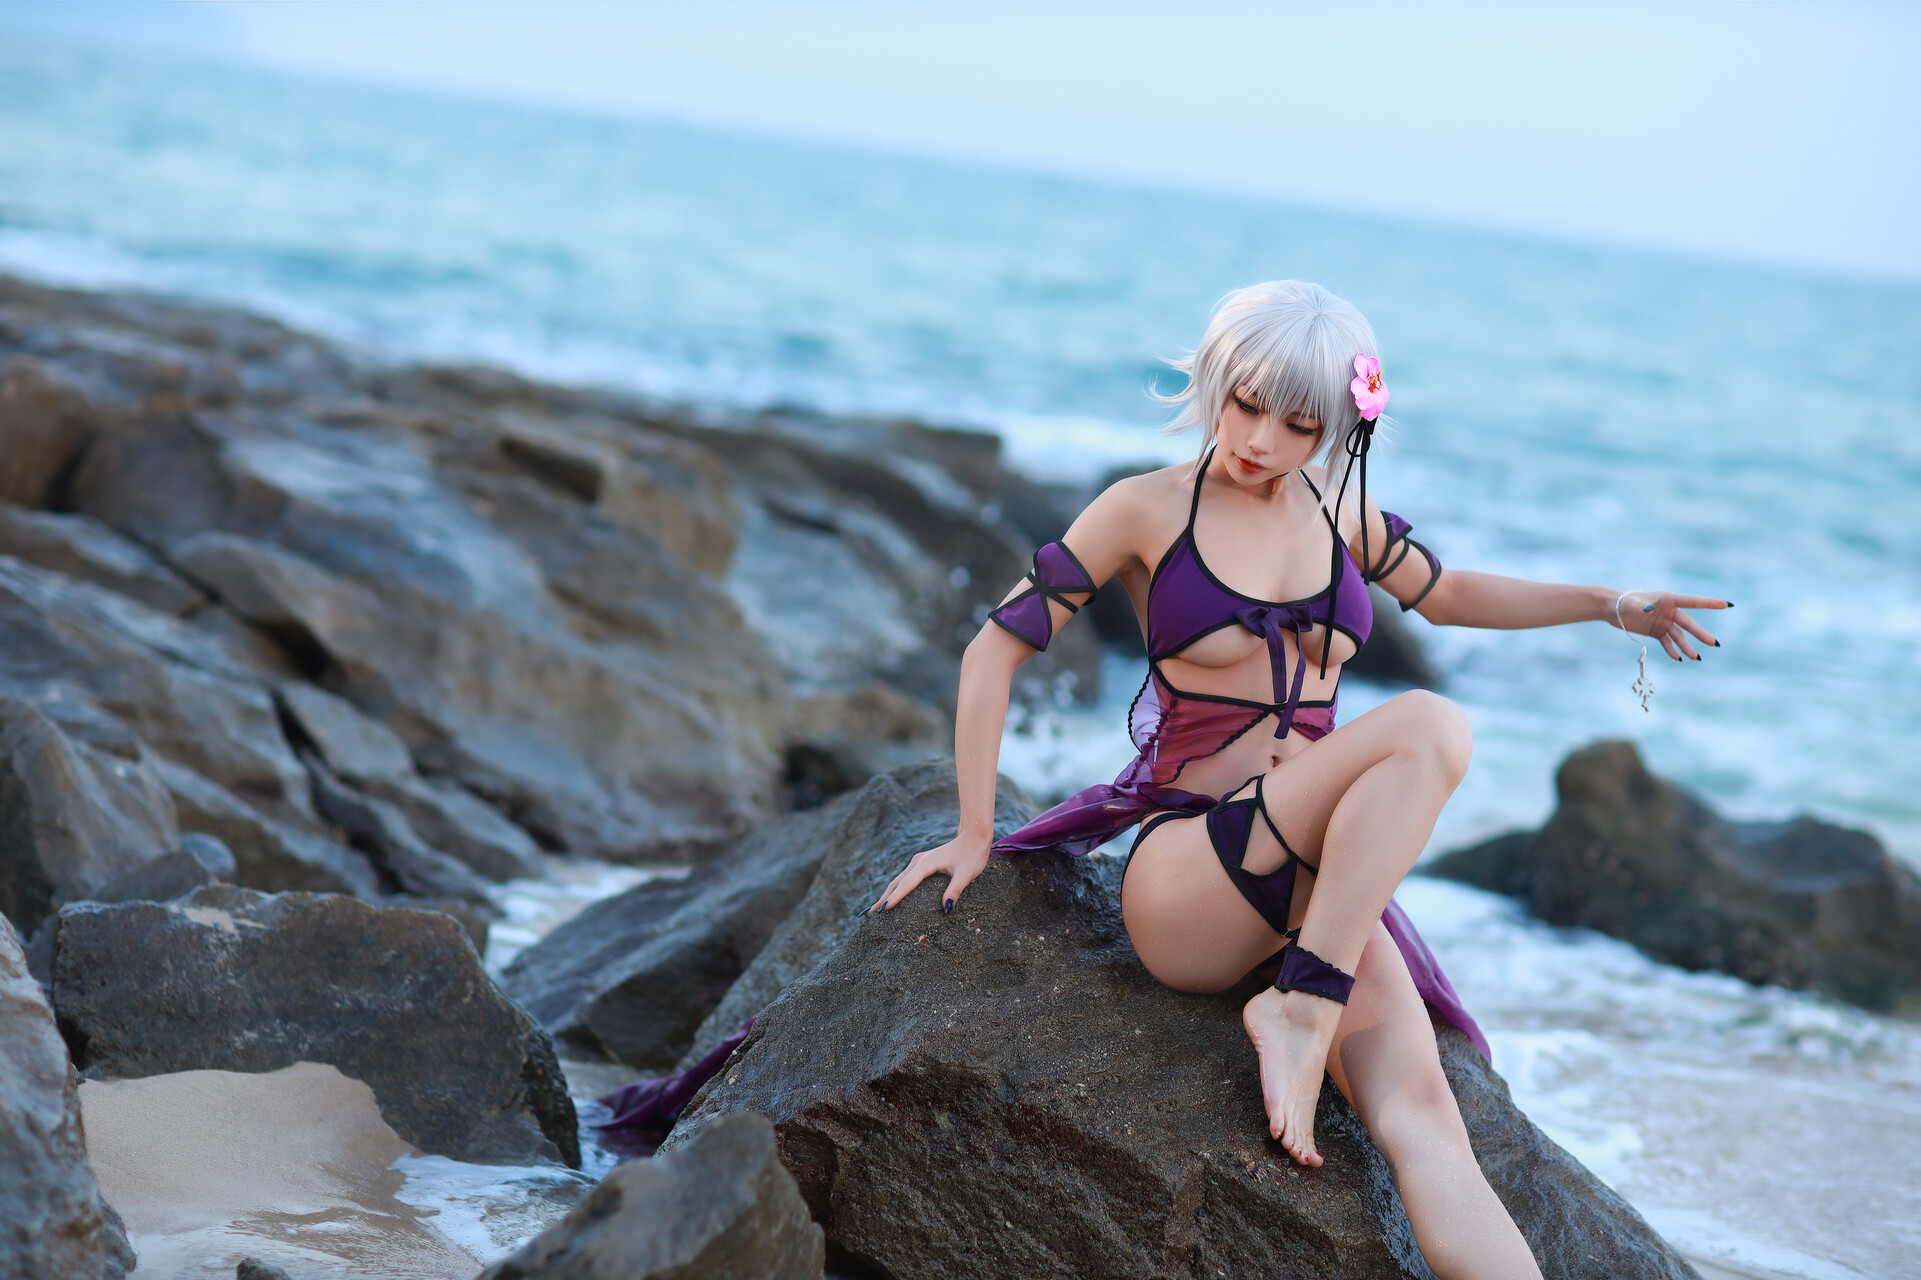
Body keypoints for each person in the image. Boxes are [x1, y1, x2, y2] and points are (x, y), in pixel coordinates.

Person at [867, 281, 1728, 1280]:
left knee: (1424, 1119)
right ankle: (1300, 1008)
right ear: (1215, 380)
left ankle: (1307, 1003)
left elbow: (1447, 592)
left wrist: (1611, 604)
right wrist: (974, 830)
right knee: (1432, 725)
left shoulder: (1338, 509)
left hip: (1318, 893)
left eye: (1298, 424)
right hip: (1191, 875)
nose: (1260, 439)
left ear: (1335, 426)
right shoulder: (1145, 508)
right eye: (1245, 404)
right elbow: (994, 648)